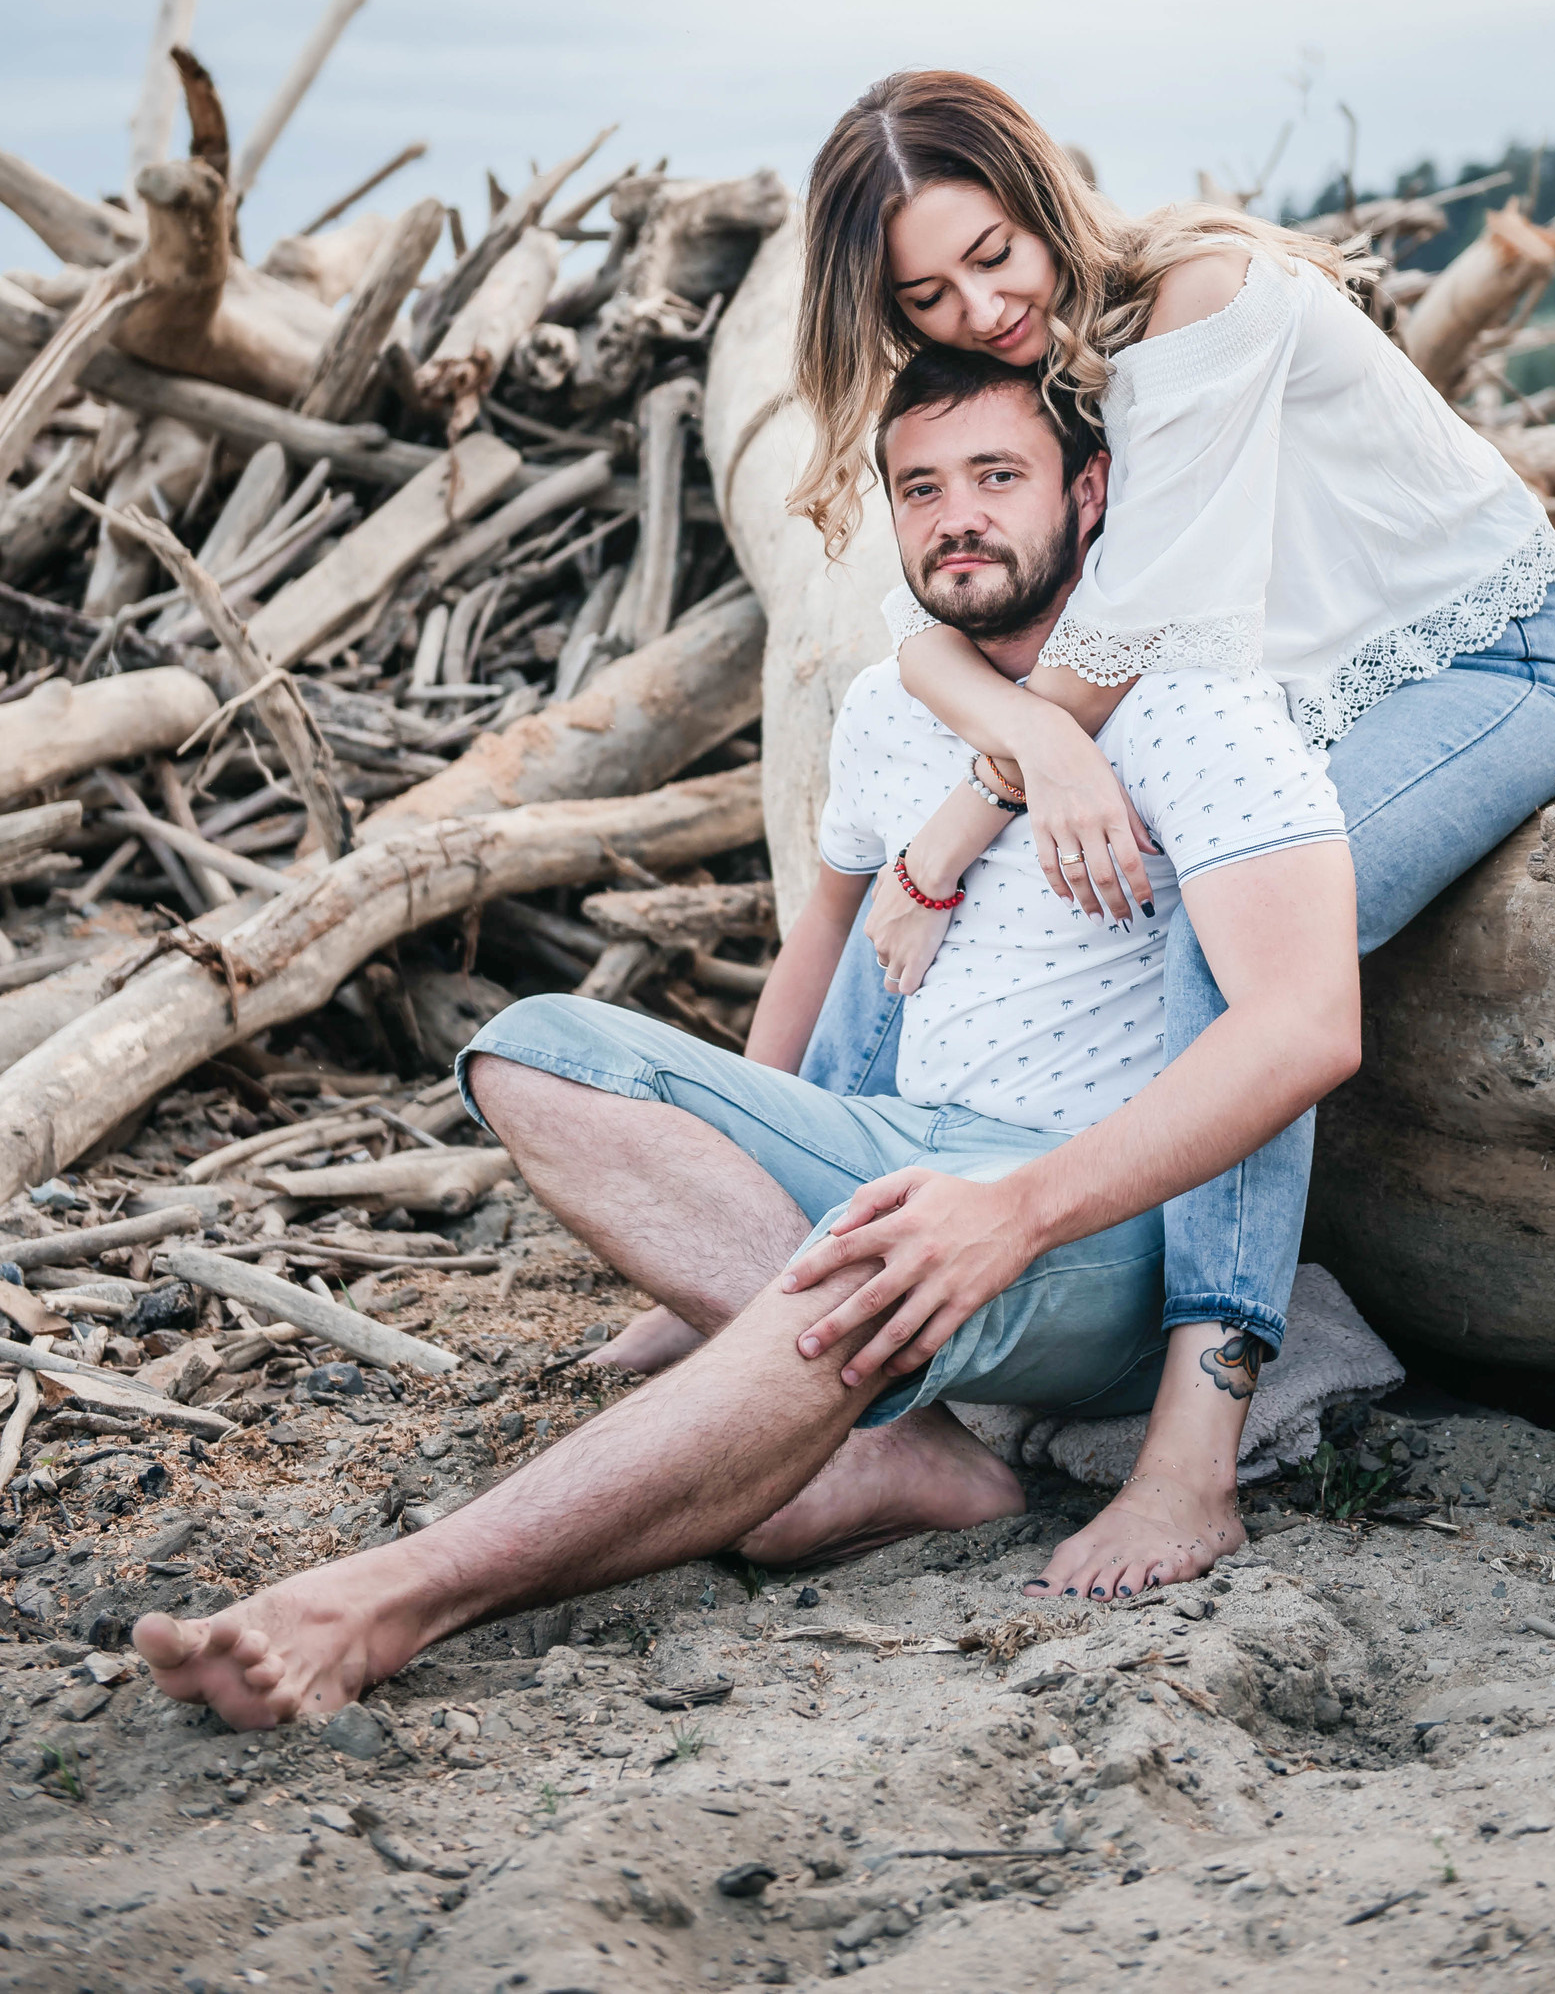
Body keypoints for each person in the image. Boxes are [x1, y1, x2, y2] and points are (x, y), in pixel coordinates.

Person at [131, 351, 1356, 1729]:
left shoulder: (1197, 706)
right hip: (898, 1140)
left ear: (1090, 492)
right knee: (530, 1047)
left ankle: (385, 1601)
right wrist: (733, 1164)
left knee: (860, 1271)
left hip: (1088, 1213)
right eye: (922, 488)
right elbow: (821, 940)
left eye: (997, 477)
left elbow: (1307, 1031)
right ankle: (899, 1447)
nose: (957, 516)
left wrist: (1011, 1211)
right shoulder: (895, 705)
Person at [785, 69, 1555, 1582]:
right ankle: (789, 1246)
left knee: (1224, 961)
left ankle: (1195, 1451)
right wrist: (1009, 763)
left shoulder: (1198, 297)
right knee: (911, 863)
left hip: (1479, 669)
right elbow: (929, 642)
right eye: (927, 296)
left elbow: (1138, 620)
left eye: (994, 255)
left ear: (1042, 200)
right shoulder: (1037, 368)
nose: (980, 308)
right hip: (1270, 706)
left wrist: (977, 805)